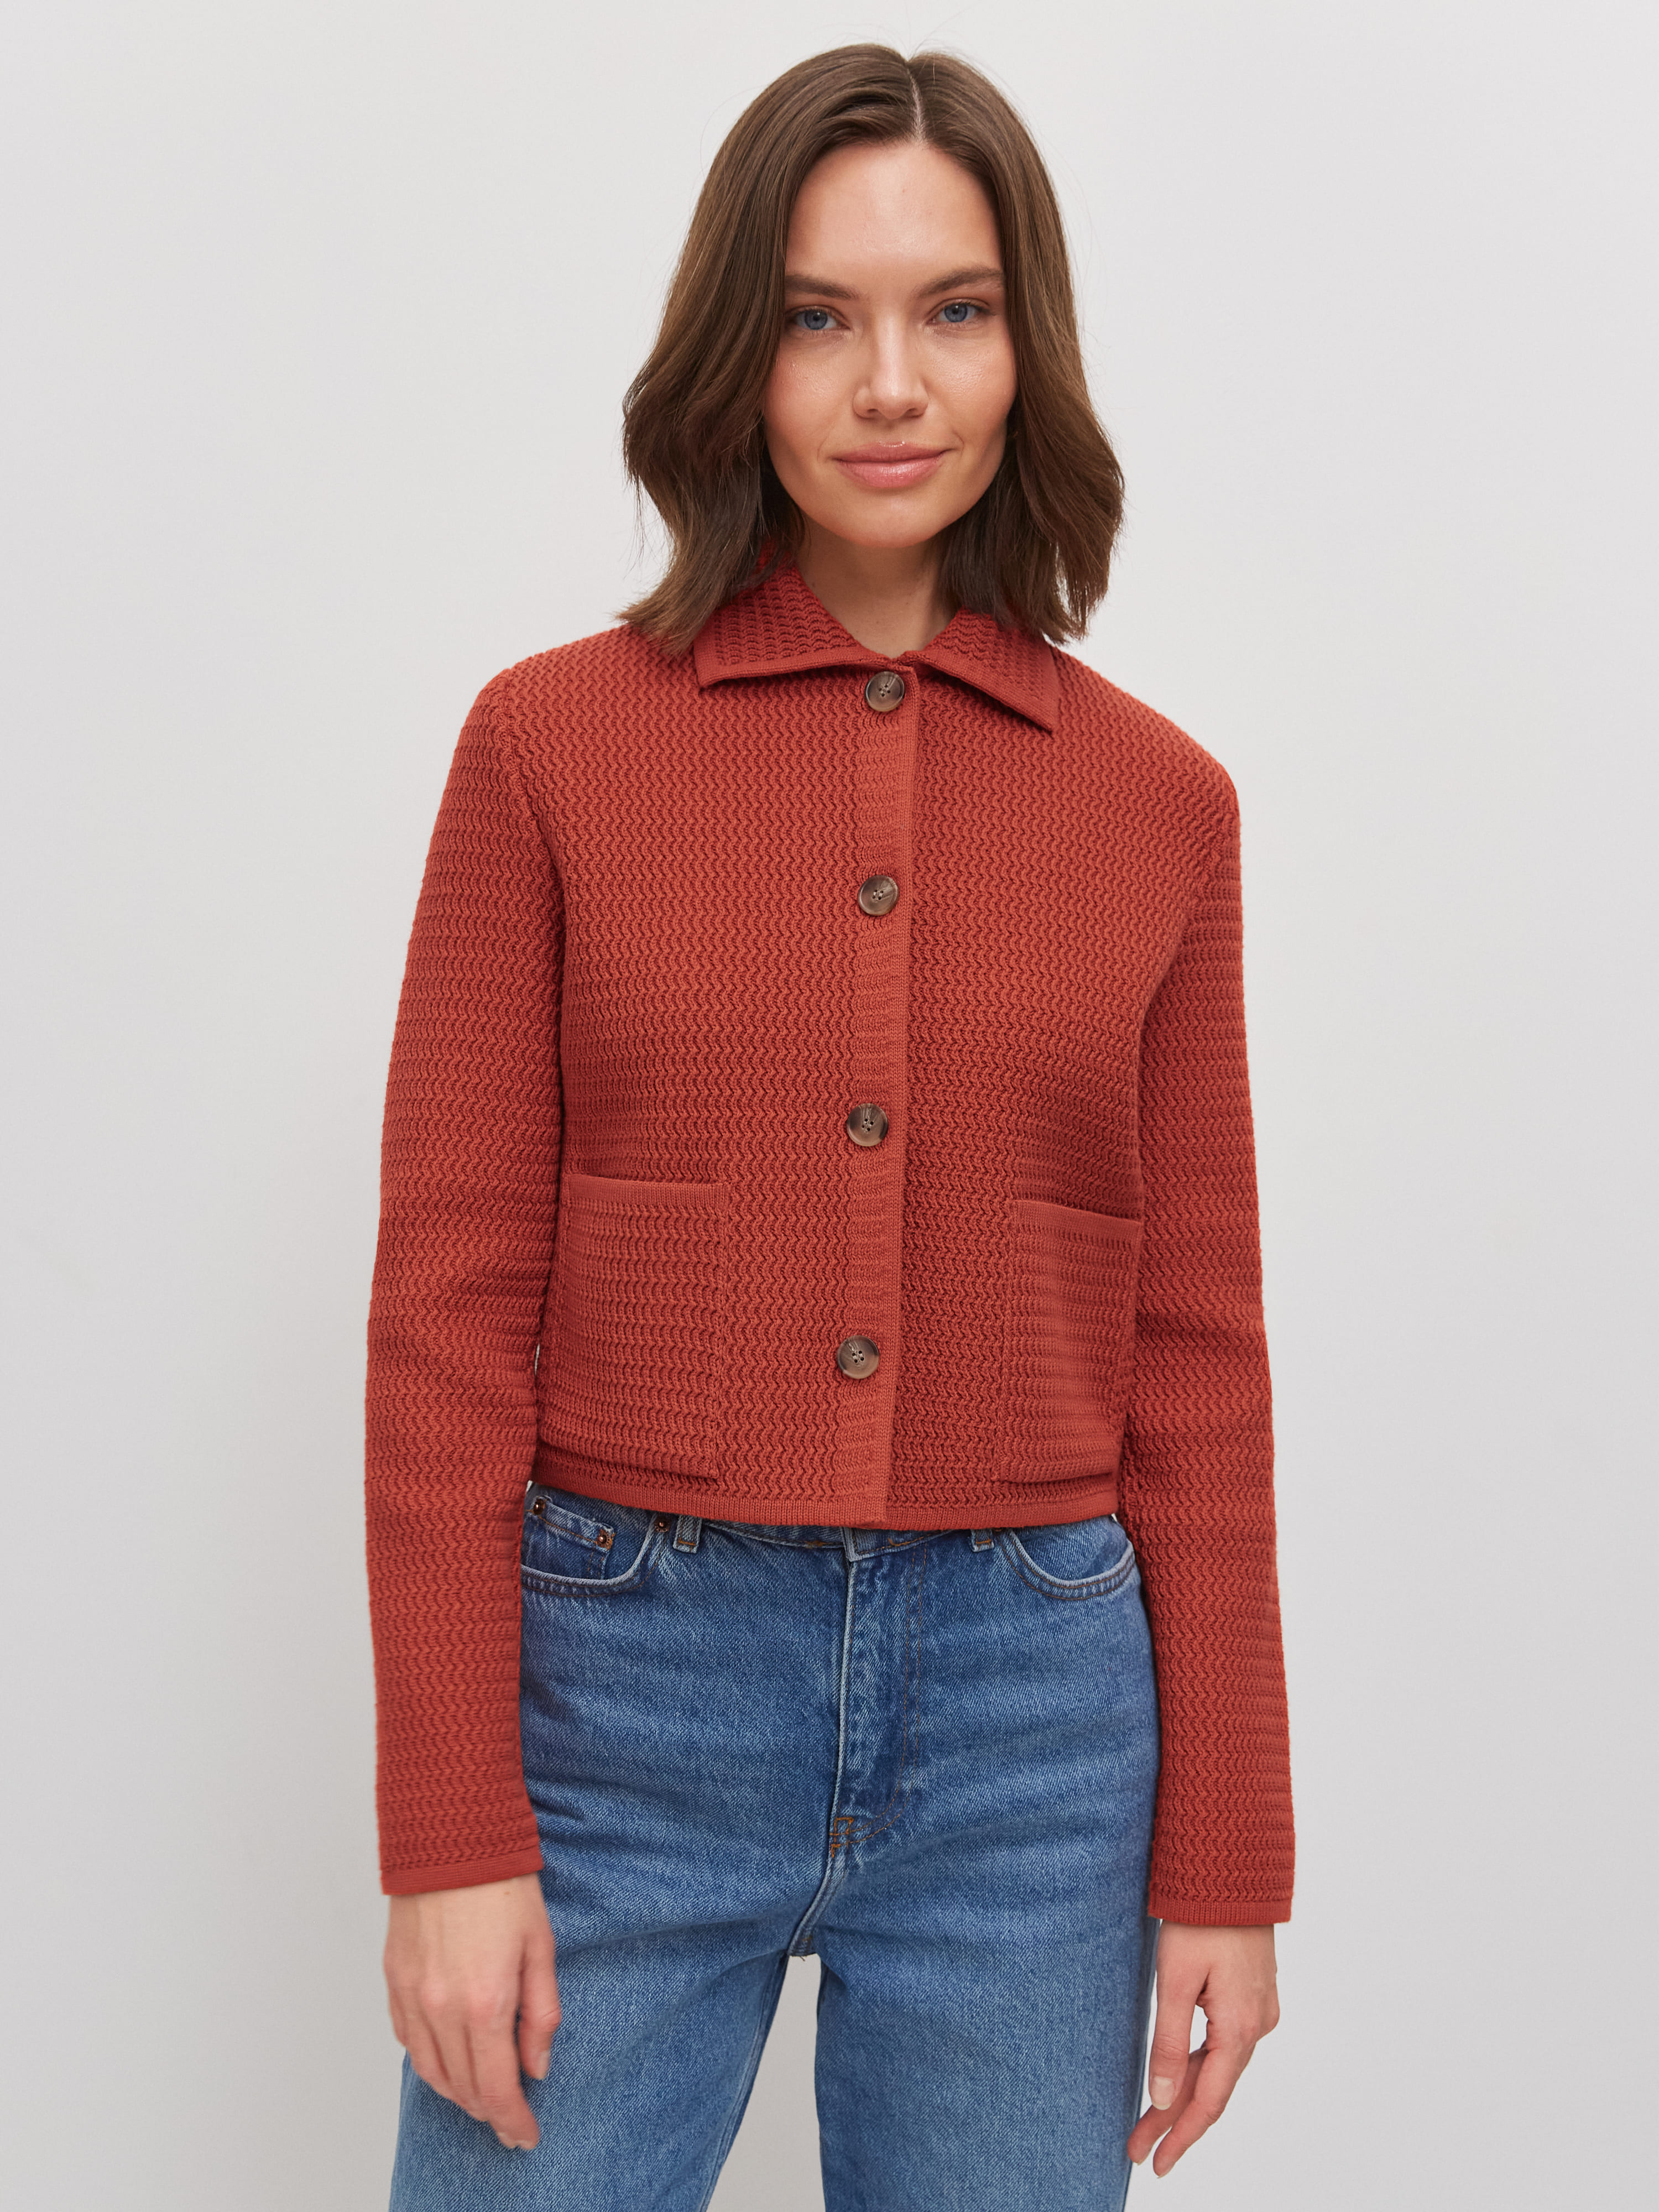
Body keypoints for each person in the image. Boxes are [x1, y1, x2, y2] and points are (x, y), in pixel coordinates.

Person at [367, 44, 1293, 2211]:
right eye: (818, 317)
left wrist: (1230, 1860)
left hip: (1037, 1735)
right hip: (625, 1697)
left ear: (1027, 352)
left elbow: (1198, 1356)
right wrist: (450, 1834)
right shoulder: (549, 751)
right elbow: (446, 1318)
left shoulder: (1162, 805)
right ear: (736, 355)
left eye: (953, 311)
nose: (892, 385)